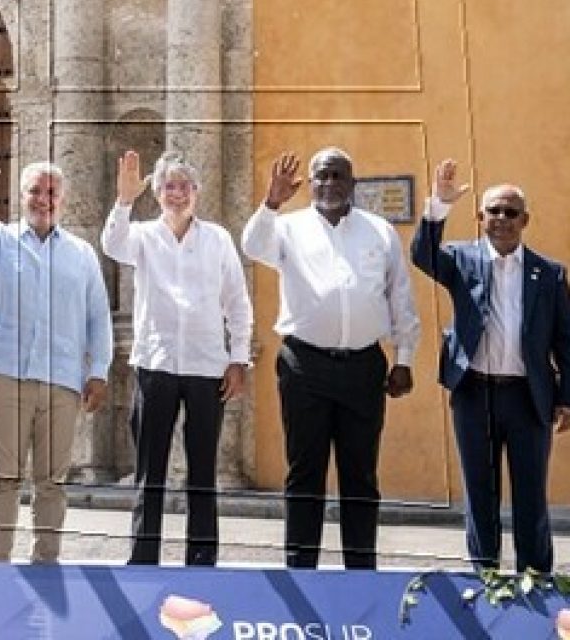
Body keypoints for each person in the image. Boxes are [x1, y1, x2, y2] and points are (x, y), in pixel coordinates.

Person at [240, 148, 420, 569]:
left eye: (338, 175)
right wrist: (271, 202)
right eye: (321, 175)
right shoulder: (287, 227)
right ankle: (301, 571)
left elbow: (400, 295)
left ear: (352, 183)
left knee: (361, 474)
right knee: (305, 472)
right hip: (305, 366)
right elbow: (252, 246)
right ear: (311, 183)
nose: (329, 183)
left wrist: (404, 358)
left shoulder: (379, 231)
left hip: (364, 367)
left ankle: (361, 573)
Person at [0, 140, 113, 563]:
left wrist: (99, 370)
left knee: (52, 482)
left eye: (51, 192)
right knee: (4, 476)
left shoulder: (82, 254)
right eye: (35, 191)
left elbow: (97, 316)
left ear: (63, 200)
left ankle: (46, 562)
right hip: (6, 374)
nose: (43, 199)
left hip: (62, 380)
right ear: (22, 196)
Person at [410, 159, 570, 572]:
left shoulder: (549, 274)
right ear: (480, 217)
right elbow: (423, 255)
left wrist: (566, 397)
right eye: (493, 211)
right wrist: (439, 205)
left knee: (530, 495)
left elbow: (564, 340)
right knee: (480, 493)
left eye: (510, 212)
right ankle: (486, 577)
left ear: (524, 220)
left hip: (527, 397)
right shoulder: (461, 259)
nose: (501, 219)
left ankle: (536, 579)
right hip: (473, 392)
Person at [101, 150, 252, 566]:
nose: (178, 193)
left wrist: (238, 358)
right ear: (157, 193)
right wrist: (123, 200)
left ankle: (201, 561)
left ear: (197, 193)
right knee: (150, 469)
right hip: (157, 364)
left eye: (185, 186)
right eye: (170, 186)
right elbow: (112, 244)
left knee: (203, 471)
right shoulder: (142, 236)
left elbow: (237, 301)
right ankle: (143, 557)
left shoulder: (217, 239)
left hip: (207, 365)